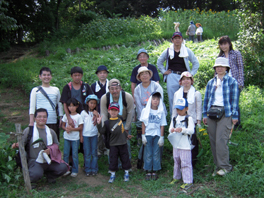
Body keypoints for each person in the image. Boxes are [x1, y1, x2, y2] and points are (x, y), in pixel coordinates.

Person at [12, 108, 68, 188]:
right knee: (36, 173)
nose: (42, 119)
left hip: (49, 160)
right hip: (35, 161)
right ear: (35, 118)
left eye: (44, 117)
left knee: (63, 167)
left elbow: (56, 145)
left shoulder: (51, 132)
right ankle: (33, 180)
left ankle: (50, 175)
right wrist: (16, 145)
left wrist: (50, 150)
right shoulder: (29, 131)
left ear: (47, 118)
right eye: (39, 117)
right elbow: (22, 144)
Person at [203, 57, 239, 176]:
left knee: (221, 140)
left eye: (222, 66)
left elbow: (234, 100)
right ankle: (218, 166)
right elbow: (206, 99)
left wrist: (235, 115)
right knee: (213, 140)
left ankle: (225, 167)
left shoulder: (232, 81)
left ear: (226, 68)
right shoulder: (211, 82)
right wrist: (204, 114)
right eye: (217, 66)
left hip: (226, 113)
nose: (219, 68)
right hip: (212, 113)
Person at [157, 32, 199, 114]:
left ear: (182, 40)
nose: (177, 40)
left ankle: (187, 117)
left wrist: (191, 74)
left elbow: (195, 63)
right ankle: (174, 119)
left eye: (179, 38)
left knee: (185, 96)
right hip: (172, 75)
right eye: (175, 38)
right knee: (172, 99)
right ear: (172, 40)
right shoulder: (168, 51)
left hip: (184, 77)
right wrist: (164, 71)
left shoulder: (187, 51)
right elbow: (159, 62)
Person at [60, 66, 93, 159]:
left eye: (79, 75)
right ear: (71, 76)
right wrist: (68, 118)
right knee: (71, 136)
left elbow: (92, 100)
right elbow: (65, 104)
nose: (77, 77)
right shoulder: (67, 87)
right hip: (72, 115)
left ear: (82, 76)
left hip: (84, 115)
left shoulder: (86, 86)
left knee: (83, 137)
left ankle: (85, 161)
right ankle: (69, 162)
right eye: (75, 75)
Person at [134, 66, 164, 168]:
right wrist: (143, 117)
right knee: (145, 141)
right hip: (144, 117)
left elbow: (160, 101)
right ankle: (142, 162)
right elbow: (138, 105)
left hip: (157, 115)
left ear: (150, 75)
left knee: (157, 142)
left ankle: (157, 164)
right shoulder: (137, 89)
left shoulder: (156, 86)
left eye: (146, 73)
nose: (144, 76)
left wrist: (154, 112)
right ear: (139, 77)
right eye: (142, 74)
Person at [97, 102, 133, 183]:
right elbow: (102, 131)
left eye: (115, 110)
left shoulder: (120, 120)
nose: (113, 112)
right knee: (113, 159)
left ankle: (126, 173)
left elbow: (122, 130)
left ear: (118, 111)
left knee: (125, 158)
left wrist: (127, 135)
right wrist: (99, 124)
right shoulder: (107, 122)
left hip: (123, 143)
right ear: (108, 111)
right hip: (113, 144)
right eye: (111, 110)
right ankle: (112, 174)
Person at [172, 71, 202, 167]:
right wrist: (173, 122)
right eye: (183, 79)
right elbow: (174, 108)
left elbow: (198, 109)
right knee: (180, 143)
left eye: (188, 79)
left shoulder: (196, 94)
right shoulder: (177, 94)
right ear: (180, 81)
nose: (186, 81)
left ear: (191, 81)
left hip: (191, 122)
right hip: (179, 122)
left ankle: (192, 164)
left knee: (192, 143)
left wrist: (198, 122)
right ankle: (180, 164)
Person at [100, 79, 134, 161]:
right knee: (111, 143)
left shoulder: (127, 97)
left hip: (124, 122)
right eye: (112, 89)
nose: (114, 91)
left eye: (117, 88)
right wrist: (106, 129)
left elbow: (130, 113)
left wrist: (126, 128)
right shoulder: (105, 98)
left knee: (125, 143)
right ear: (109, 89)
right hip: (110, 122)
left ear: (120, 88)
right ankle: (113, 163)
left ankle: (126, 162)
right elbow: (104, 114)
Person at [29, 67, 63, 141]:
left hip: (53, 120)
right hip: (39, 120)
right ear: (40, 76)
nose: (46, 77)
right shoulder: (35, 90)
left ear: (51, 76)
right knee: (40, 141)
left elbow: (59, 105)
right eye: (44, 75)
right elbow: (32, 107)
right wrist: (31, 122)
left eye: (48, 75)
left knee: (53, 142)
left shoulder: (56, 90)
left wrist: (61, 117)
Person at [218, 35, 244, 128]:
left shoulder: (236, 53)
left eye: (225, 44)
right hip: (224, 83)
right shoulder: (220, 56)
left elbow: (240, 68)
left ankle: (237, 124)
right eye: (221, 44)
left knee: (235, 103)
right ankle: (227, 122)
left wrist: (240, 82)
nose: (223, 46)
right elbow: (217, 71)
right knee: (226, 102)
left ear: (229, 44)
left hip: (235, 82)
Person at [140, 91, 167, 180]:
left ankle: (155, 170)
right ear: (150, 100)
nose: (155, 101)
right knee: (148, 152)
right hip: (148, 134)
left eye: (157, 99)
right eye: (154, 99)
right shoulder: (145, 110)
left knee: (156, 153)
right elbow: (143, 123)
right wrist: (143, 135)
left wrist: (162, 137)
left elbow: (162, 125)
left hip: (157, 134)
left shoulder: (161, 111)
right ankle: (148, 170)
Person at [168, 98, 194, 190]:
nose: (178, 111)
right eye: (177, 109)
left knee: (185, 162)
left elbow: (191, 130)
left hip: (185, 145)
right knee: (176, 161)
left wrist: (182, 130)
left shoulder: (189, 118)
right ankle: (176, 177)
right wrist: (172, 130)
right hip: (176, 144)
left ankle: (188, 181)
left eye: (181, 109)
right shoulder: (175, 118)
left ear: (186, 108)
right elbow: (170, 129)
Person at [62, 98, 84, 177]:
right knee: (66, 154)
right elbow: (63, 125)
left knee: (75, 154)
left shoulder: (78, 116)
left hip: (75, 138)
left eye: (73, 106)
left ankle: (75, 170)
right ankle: (65, 169)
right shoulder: (66, 116)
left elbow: (81, 127)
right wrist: (66, 129)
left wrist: (72, 129)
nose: (71, 108)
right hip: (67, 137)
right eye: (70, 106)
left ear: (77, 106)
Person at [91, 65, 109, 156]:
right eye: (100, 73)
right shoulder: (94, 86)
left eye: (104, 73)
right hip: (98, 111)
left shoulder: (110, 85)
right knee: (98, 131)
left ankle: (106, 148)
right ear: (97, 75)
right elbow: (92, 100)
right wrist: (94, 111)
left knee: (107, 129)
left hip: (109, 111)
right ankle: (99, 148)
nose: (102, 75)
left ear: (107, 74)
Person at [81, 94, 100, 176]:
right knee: (87, 153)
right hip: (85, 135)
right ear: (87, 103)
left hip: (94, 135)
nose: (93, 105)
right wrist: (81, 136)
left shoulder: (96, 113)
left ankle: (94, 168)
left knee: (94, 153)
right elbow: (81, 125)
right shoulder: (83, 113)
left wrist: (97, 115)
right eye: (91, 103)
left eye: (94, 103)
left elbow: (99, 122)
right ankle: (87, 169)